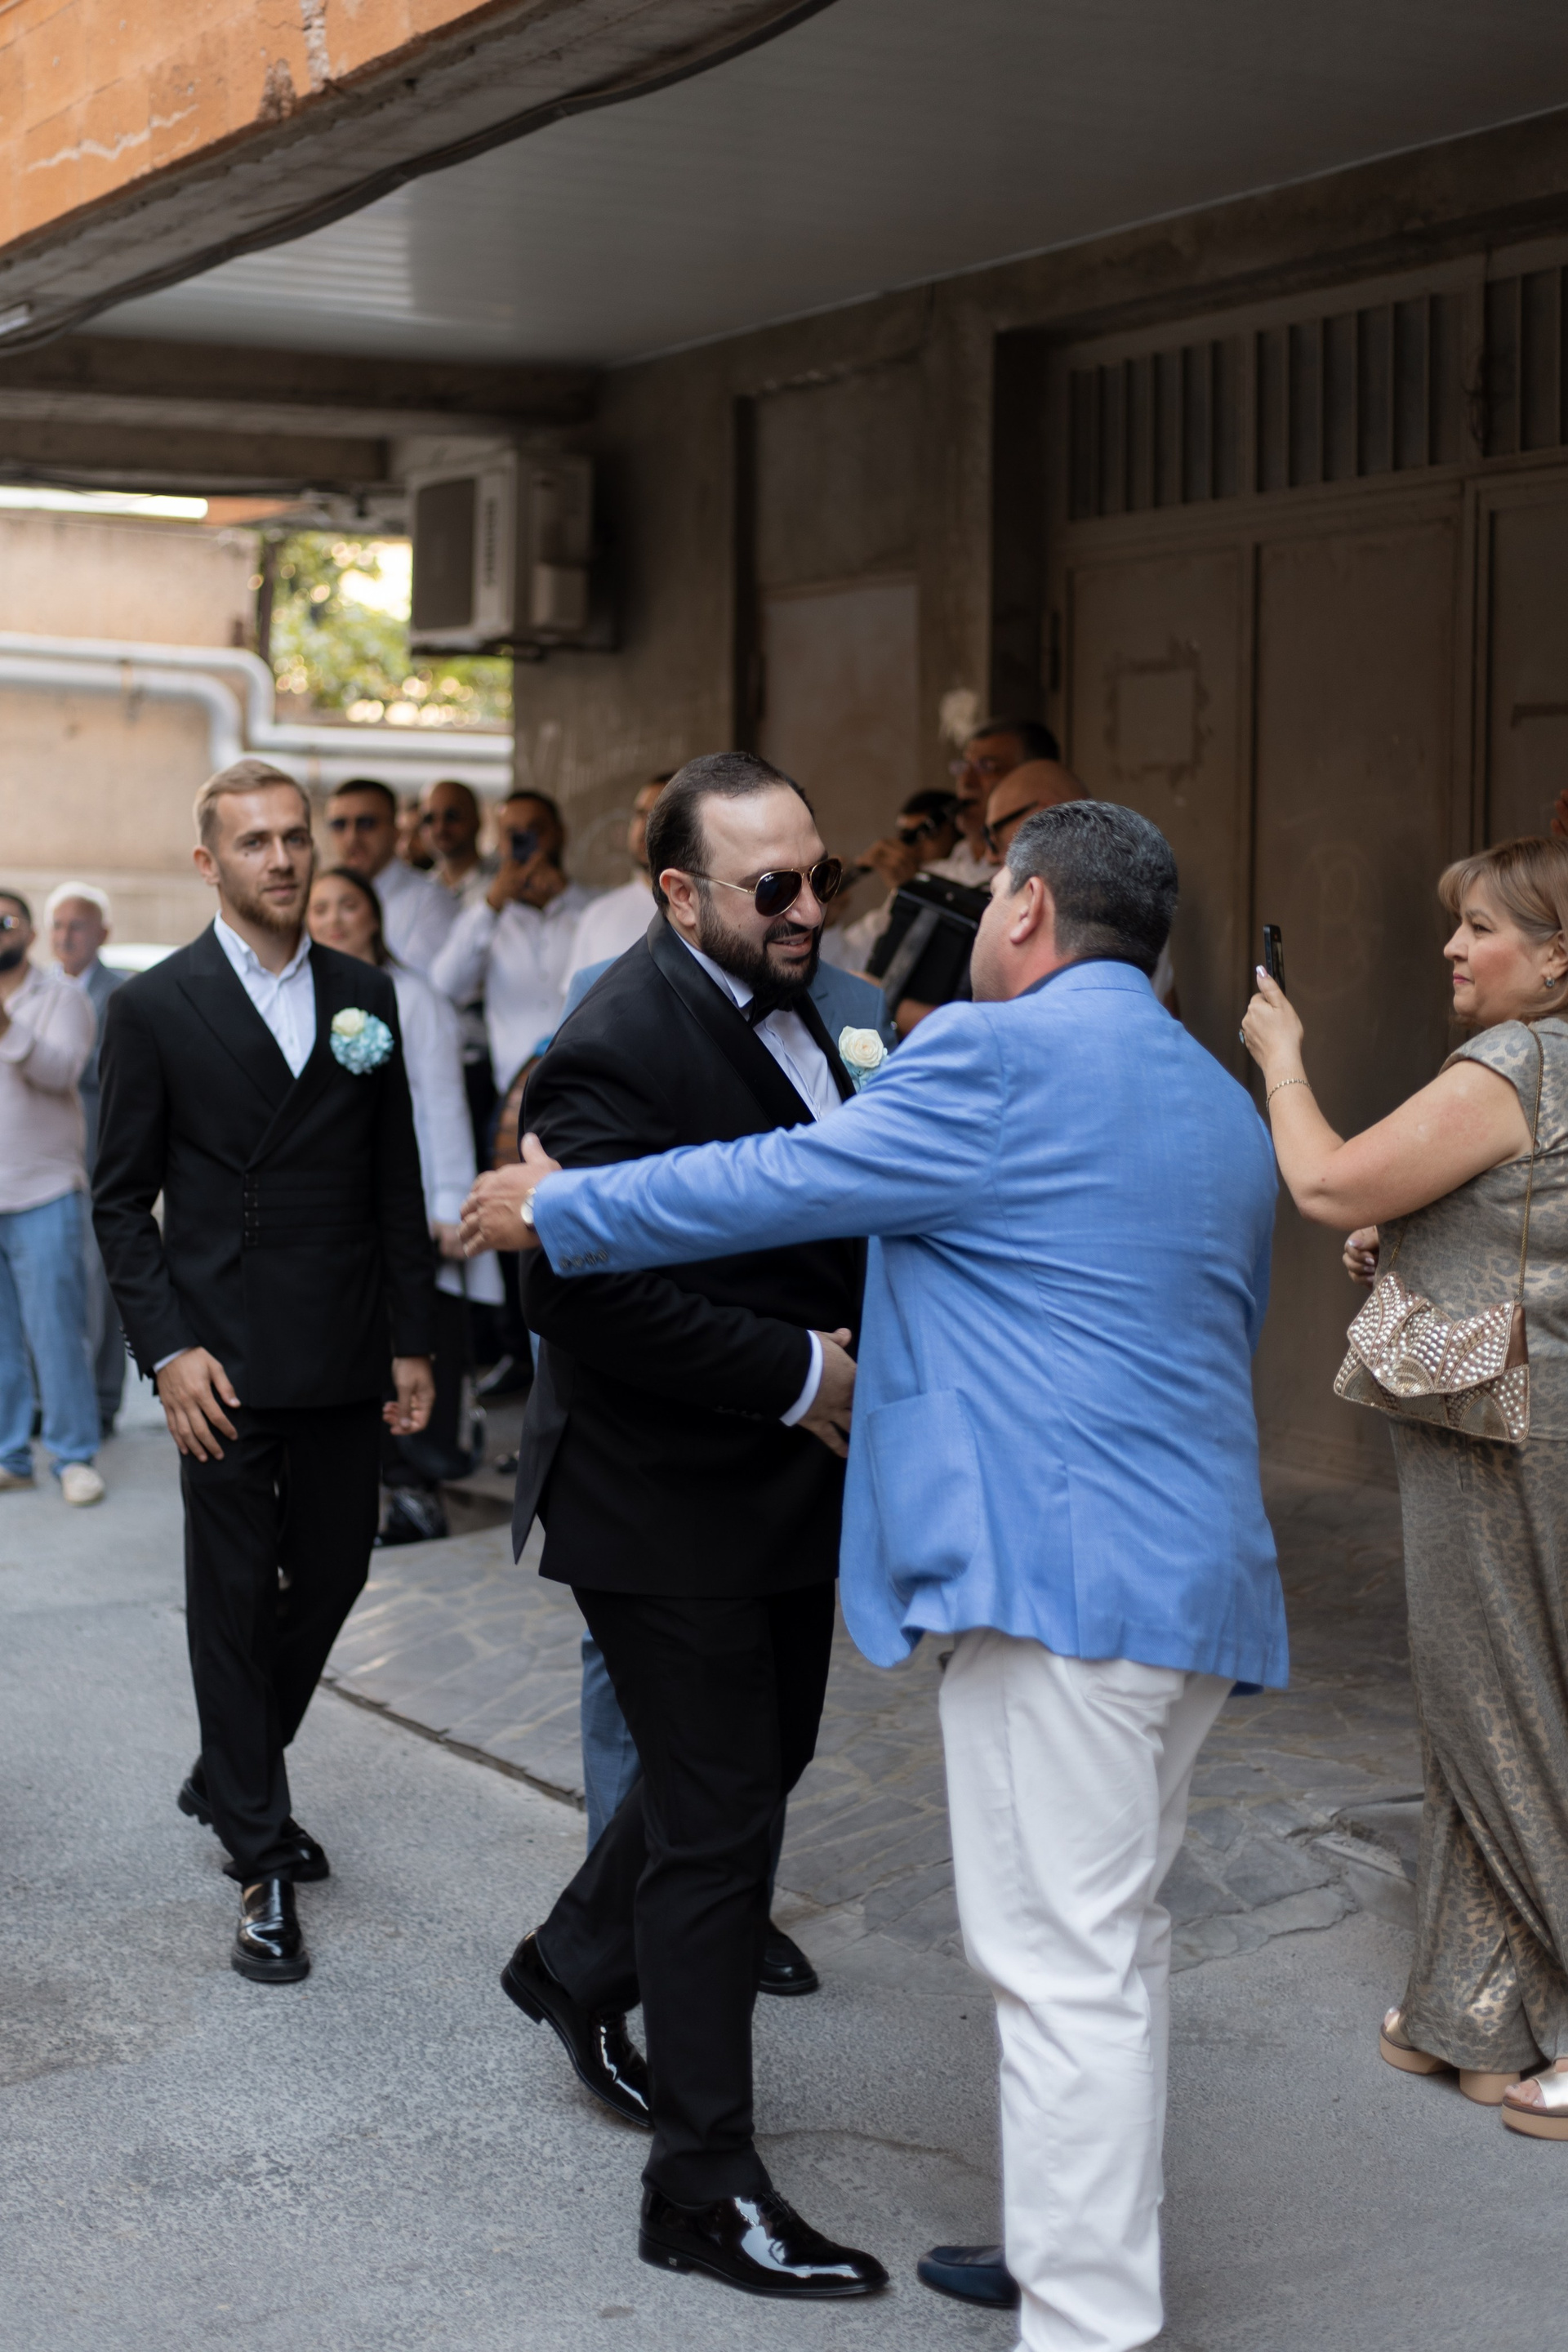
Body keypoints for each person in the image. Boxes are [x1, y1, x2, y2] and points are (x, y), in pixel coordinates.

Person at [473, 798, 1285, 2350]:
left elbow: (772, 1182)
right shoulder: (1210, 1091)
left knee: (1061, 1966)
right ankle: (1064, 2244)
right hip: (1194, 1584)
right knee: (1116, 1943)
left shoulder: (995, 1055)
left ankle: (1088, 2319)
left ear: (1028, 908)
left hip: (1058, 1593)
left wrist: (556, 1202)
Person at [463, 753, 885, 2303]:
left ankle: (574, 1961)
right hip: (660, 1497)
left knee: (766, 1760)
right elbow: (580, 1294)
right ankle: (702, 2189)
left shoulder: (823, 1006)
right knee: (719, 1829)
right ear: (679, 895)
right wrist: (803, 1376)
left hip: (787, 1488)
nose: (807, 908)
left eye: (821, 877)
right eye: (772, 887)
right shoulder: (612, 1048)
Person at [1244, 832, 1568, 2145]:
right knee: (1494, 1701)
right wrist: (1423, 1229)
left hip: (1503, 1428)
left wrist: (1282, 1059)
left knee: (1505, 1711)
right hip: (1513, 1421)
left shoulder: (1516, 1060)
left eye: (1481, 927)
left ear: (1557, 957)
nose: (1452, 947)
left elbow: (1324, 1180)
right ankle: (1472, 2010)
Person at [94, 759, 435, 1985]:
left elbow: (393, 1175)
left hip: (341, 1344)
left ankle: (228, 1767)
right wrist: (167, 1351)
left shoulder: (363, 993)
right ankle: (259, 1854)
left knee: (337, 1573)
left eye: (295, 837)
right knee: (235, 1604)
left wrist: (410, 1338)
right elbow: (119, 1202)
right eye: (255, 843)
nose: (283, 859)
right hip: (220, 1364)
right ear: (209, 863)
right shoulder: (153, 1006)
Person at [307, 864, 503, 1543]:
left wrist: (449, 1201)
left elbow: (443, 1101)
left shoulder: (412, 996)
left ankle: (416, 1485)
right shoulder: (302, 995)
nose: (333, 918)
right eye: (320, 907)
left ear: (374, 915)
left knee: (411, 1343)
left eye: (347, 905)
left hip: (407, 1200)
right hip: (333, 1207)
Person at [0, 889, 105, 1507]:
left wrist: (6, 1026)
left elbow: (62, 1071)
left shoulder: (62, 997)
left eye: (6, 919)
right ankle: (9, 1455)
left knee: (57, 1332)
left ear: (30, 934)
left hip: (44, 1190)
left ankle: (73, 1456)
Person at [430, 790, 594, 1100]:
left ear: (559, 834)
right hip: (515, 1095)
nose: (525, 841)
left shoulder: (592, 907)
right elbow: (446, 986)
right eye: (513, 834)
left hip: (589, 1086)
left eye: (535, 830)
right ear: (500, 842)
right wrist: (492, 904)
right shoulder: (483, 916)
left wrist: (565, 894)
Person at [47, 882, 127, 1436]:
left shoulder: (120, 994)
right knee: (53, 1285)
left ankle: (100, 1400)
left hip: (102, 1158)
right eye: (58, 925)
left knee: (102, 1281)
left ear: (102, 933)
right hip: (47, 1164)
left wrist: (47, 1059)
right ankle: (49, 1399)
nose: (66, 936)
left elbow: (112, 1070)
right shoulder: (36, 990)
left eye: (77, 925)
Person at [822, 788, 963, 973]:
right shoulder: (887, 911)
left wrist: (915, 892)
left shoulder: (970, 884)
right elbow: (843, 966)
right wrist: (828, 921)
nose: (913, 849)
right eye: (906, 837)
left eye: (928, 833)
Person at [325, 776, 456, 973]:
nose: (351, 838)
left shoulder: (430, 902)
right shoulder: (321, 903)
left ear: (396, 831)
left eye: (366, 823)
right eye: (339, 825)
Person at [563, 775, 671, 986]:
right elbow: (579, 1001)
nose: (645, 826)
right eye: (640, 814)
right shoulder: (597, 916)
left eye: (660, 815)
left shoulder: (713, 916)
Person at [946, 716, 1061, 884]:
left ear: (1034, 777)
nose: (966, 781)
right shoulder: (946, 865)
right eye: (964, 767)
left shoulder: (1051, 877)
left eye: (985, 767)